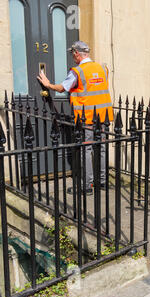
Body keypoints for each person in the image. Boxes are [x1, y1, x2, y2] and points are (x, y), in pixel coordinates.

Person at [37, 41, 113, 195]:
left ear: (77, 53)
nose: (72, 57)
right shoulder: (102, 68)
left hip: (87, 118)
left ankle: (87, 186)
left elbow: (62, 88)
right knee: (102, 147)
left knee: (86, 149)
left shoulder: (78, 71)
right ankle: (103, 181)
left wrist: (48, 84)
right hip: (104, 116)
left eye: (73, 54)